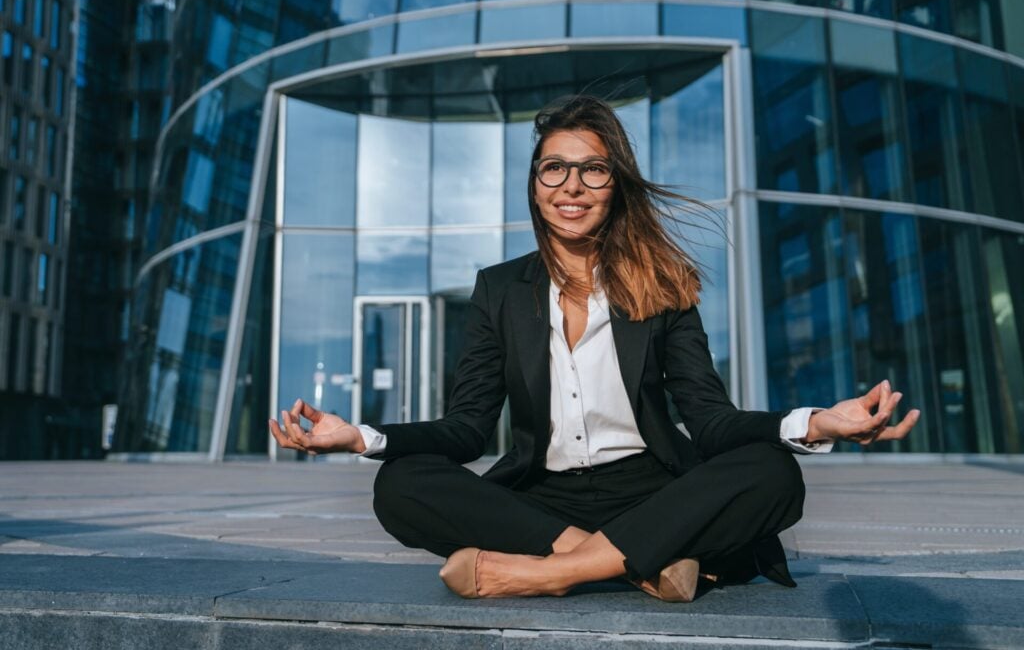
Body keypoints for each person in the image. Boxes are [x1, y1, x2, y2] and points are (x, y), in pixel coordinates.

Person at [269, 94, 918, 601]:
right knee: (401, 483)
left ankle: (551, 575)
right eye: (555, 167)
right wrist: (359, 437)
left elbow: (711, 420)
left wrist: (816, 422)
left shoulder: (664, 285)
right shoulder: (498, 290)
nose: (571, 185)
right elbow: (466, 429)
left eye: (593, 168)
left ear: (616, 184)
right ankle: (631, 560)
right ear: (534, 182)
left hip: (651, 489)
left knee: (774, 472)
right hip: (542, 500)